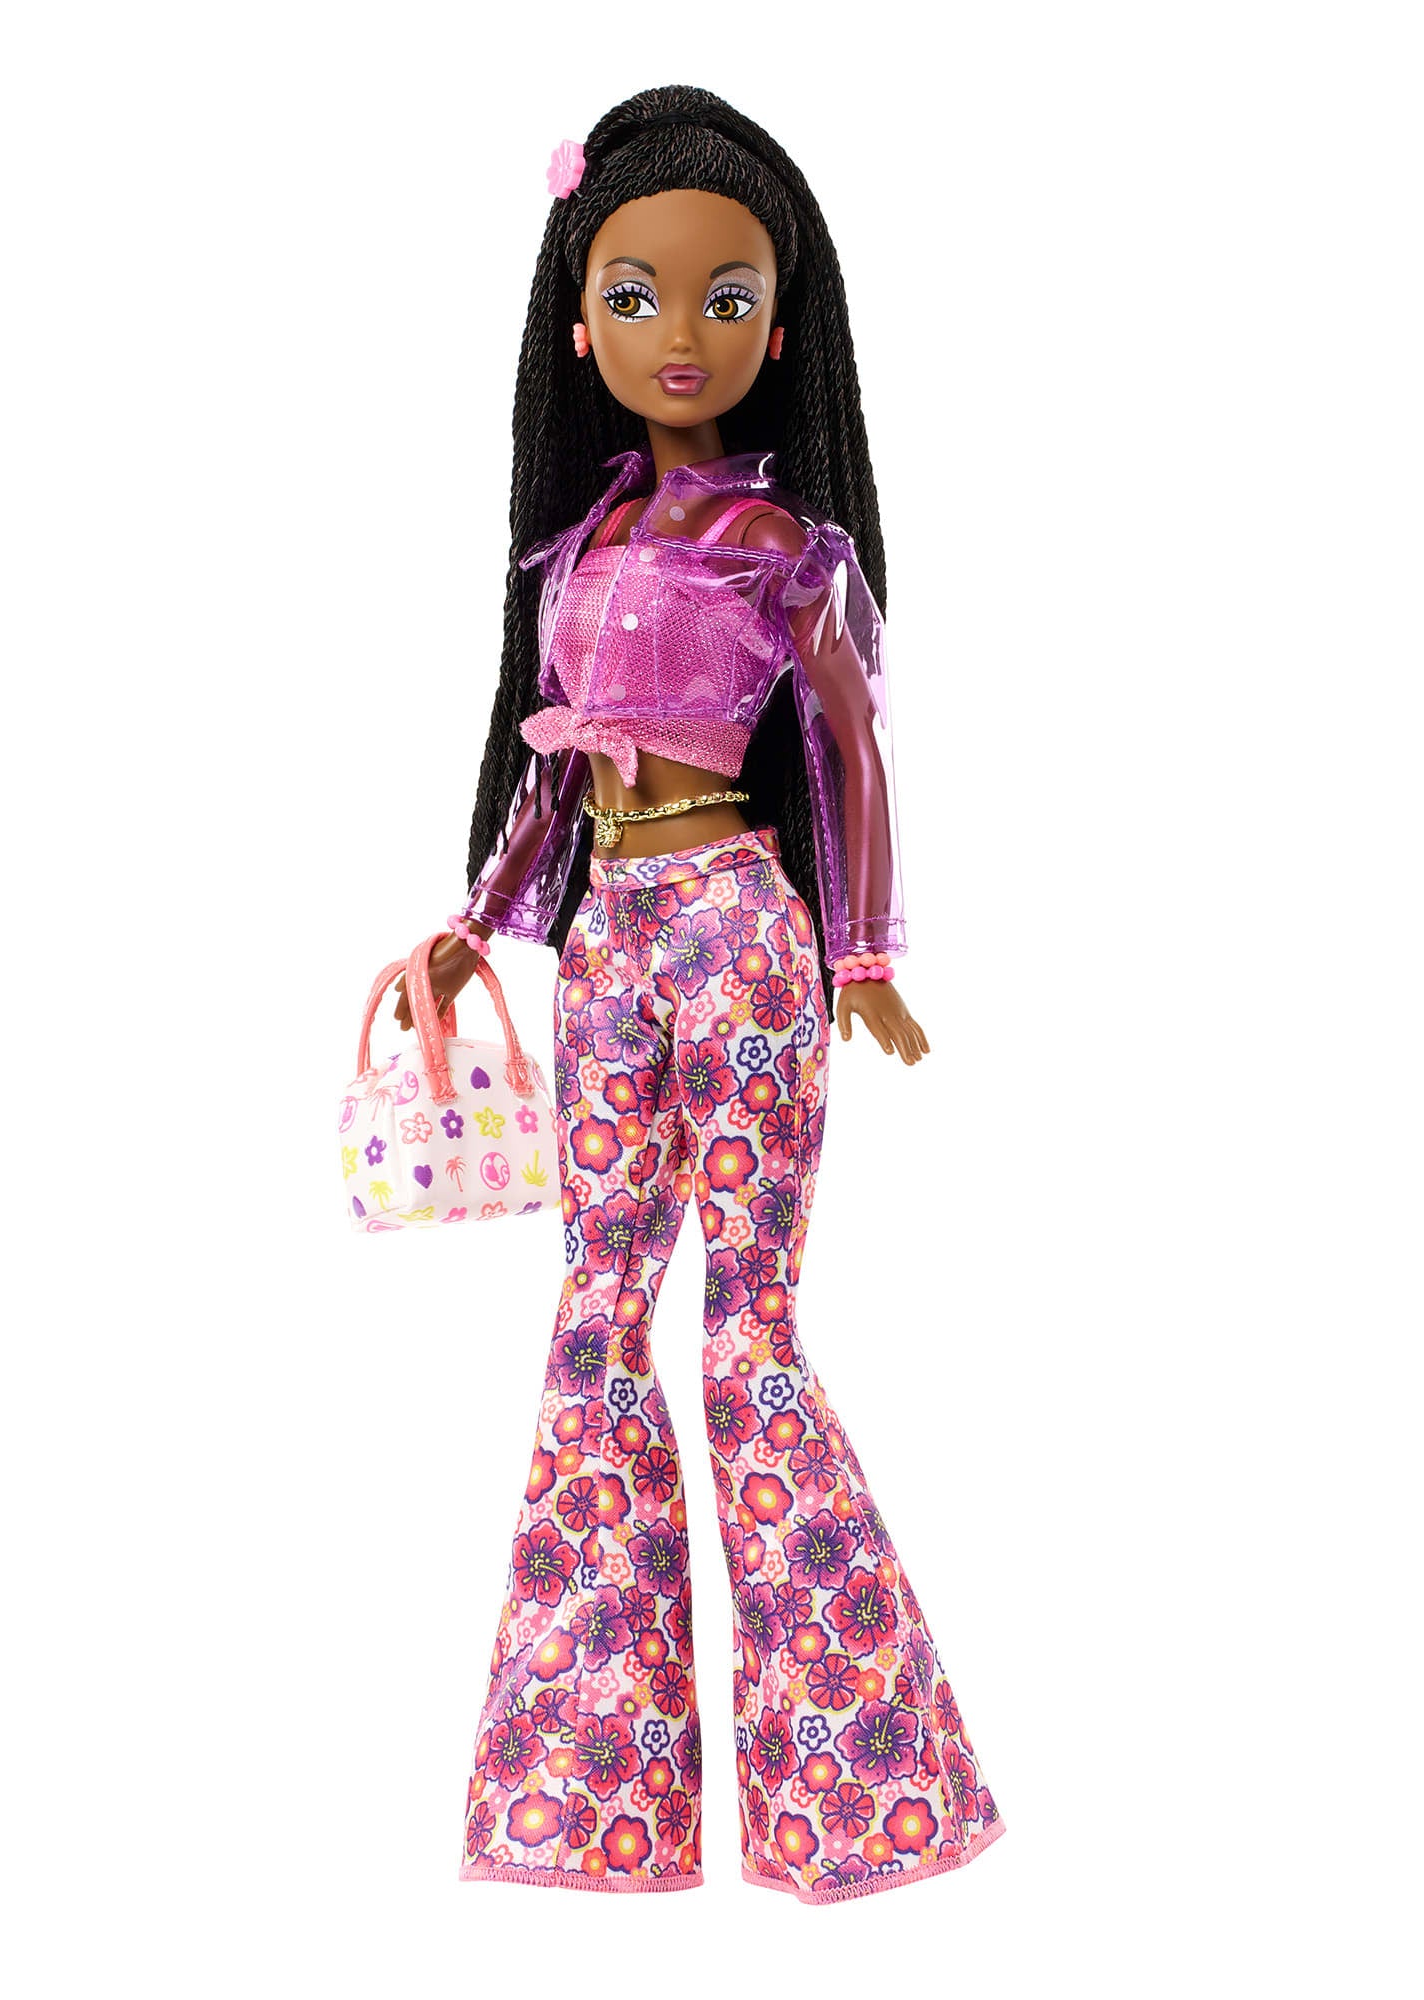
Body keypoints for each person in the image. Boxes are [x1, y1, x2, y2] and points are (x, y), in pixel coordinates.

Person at [396, 85, 1001, 1903]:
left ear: (782, 325)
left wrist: (863, 955)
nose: (682, 332)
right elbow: (555, 760)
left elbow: (855, 753)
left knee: (746, 1330)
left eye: (727, 297)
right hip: (606, 943)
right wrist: (479, 921)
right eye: (639, 295)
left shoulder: (784, 549)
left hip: (740, 929)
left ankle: (860, 1785)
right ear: (580, 325)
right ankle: (591, 1789)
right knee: (596, 1316)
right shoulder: (572, 545)